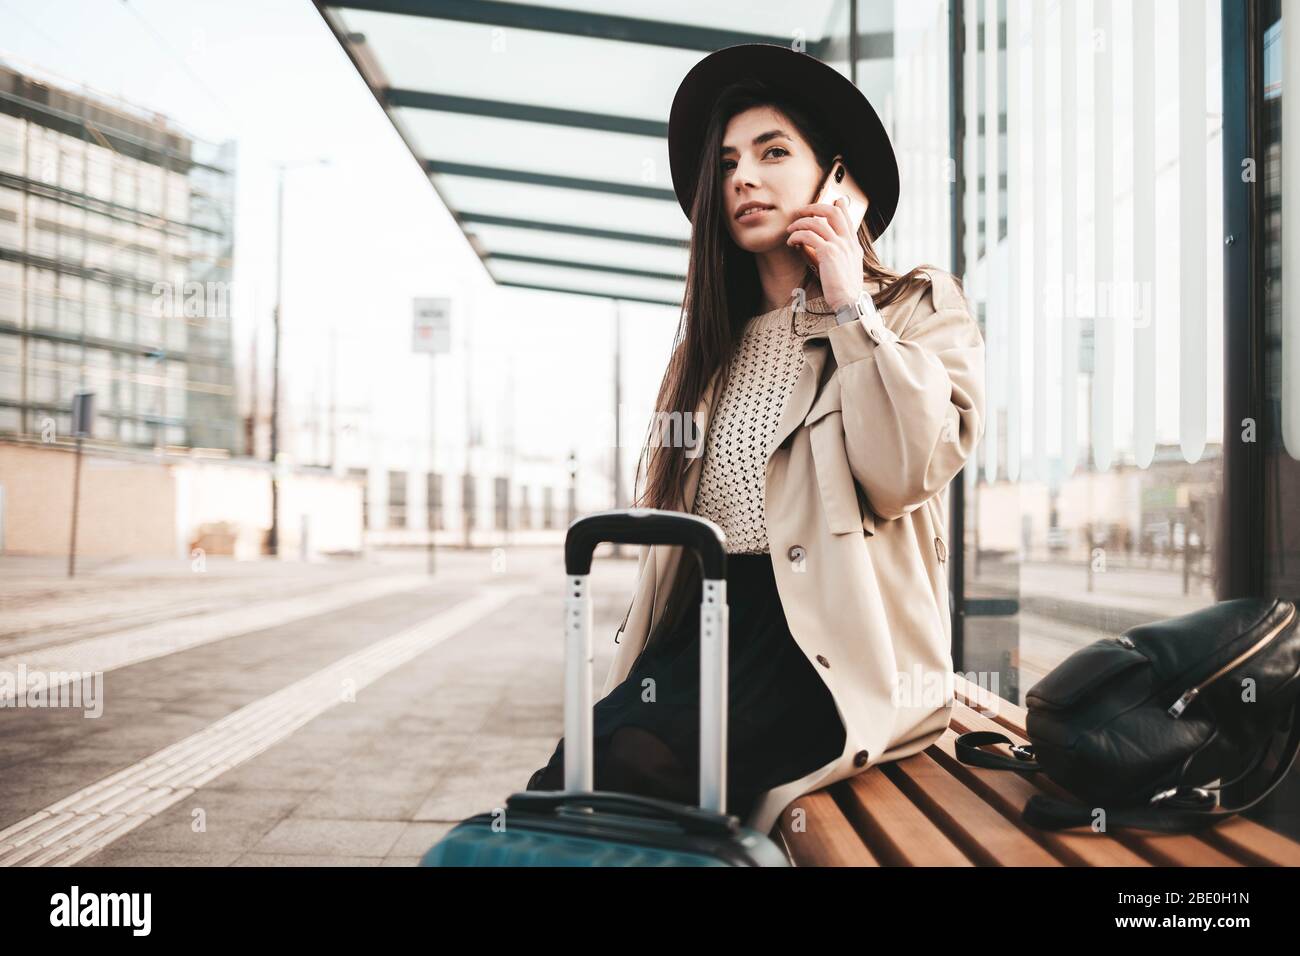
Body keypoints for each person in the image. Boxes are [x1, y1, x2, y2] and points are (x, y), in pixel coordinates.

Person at [526, 43, 985, 830]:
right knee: (565, 784)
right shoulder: (708, 350)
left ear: (838, 181)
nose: (743, 176)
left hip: (823, 647)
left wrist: (849, 308)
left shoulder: (914, 306)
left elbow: (904, 469)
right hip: (702, 634)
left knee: (632, 776)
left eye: (775, 152)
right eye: (730, 160)